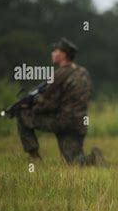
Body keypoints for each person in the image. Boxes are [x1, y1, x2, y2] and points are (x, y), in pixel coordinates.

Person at [16, 37, 105, 166]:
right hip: (79, 123)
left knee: (22, 113)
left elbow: (50, 104)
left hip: (63, 122)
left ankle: (34, 158)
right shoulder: (83, 72)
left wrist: (31, 107)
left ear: (63, 54)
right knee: (74, 161)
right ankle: (92, 158)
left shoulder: (59, 75)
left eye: (55, 50)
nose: (52, 53)